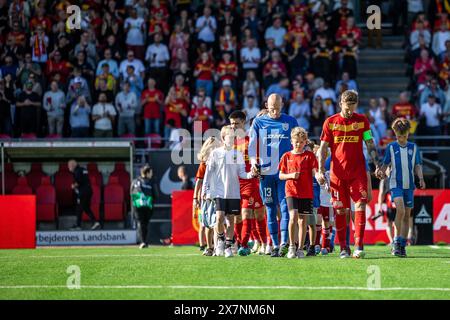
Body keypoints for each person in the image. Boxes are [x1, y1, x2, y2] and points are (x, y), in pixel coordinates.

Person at [317, 90, 383, 259]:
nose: (349, 111)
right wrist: (319, 170)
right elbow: (323, 148)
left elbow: (369, 142)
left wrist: (377, 165)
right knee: (340, 210)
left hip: (357, 172)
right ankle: (344, 248)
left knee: (360, 205)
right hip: (337, 174)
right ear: (340, 104)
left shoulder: (362, 121)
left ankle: (359, 245)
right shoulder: (330, 122)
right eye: (347, 107)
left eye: (352, 107)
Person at [248, 93, 298, 257]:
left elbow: (298, 144)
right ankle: (274, 245)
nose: (275, 112)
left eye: (277, 109)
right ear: (266, 105)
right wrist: (254, 162)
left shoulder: (290, 121)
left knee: (284, 207)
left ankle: (284, 243)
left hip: (285, 173)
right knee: (269, 207)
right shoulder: (258, 122)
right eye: (271, 109)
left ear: (282, 104)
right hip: (266, 172)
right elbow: (252, 145)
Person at [201, 125, 257, 258]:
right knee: (219, 218)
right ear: (223, 138)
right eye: (229, 137)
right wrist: (205, 189)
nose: (232, 139)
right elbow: (208, 173)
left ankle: (227, 247)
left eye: (233, 137)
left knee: (231, 220)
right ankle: (220, 240)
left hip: (233, 192)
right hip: (218, 192)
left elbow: (242, 174)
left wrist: (252, 174)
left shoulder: (237, 154)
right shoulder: (215, 153)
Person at [377, 118, 425, 257]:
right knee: (401, 210)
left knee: (406, 216)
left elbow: (417, 165)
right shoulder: (391, 147)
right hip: (395, 184)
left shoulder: (413, 147)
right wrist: (381, 170)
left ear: (408, 134)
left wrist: (420, 178)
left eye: (404, 136)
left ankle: (402, 245)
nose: (401, 139)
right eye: (399, 136)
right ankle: (396, 242)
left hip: (409, 185)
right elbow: (385, 164)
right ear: (395, 134)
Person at [229, 111, 267, 256]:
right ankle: (243, 242)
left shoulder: (251, 139)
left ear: (243, 123)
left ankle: (247, 244)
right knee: (237, 216)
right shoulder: (230, 142)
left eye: (236, 123)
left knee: (249, 213)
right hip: (234, 183)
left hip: (250, 182)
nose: (233, 126)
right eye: (231, 123)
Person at [279, 127, 318, 259]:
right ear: (291, 141)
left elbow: (315, 172)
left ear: (305, 142)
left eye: (301, 142)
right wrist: (290, 175)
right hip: (291, 191)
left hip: (306, 192)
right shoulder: (286, 156)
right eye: (296, 141)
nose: (298, 144)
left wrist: (319, 176)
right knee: (293, 216)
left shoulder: (310, 156)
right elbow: (280, 175)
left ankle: (300, 249)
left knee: (302, 221)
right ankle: (291, 246)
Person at [193, 137, 222, 256]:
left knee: (217, 222)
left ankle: (216, 247)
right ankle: (209, 247)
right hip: (207, 196)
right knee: (207, 224)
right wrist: (195, 197)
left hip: (219, 195)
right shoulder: (204, 164)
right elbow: (199, 182)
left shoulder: (222, 160)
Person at [68, 160, 101, 231]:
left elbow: (79, 181)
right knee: (86, 207)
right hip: (88, 191)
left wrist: (73, 186)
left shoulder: (77, 171)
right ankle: (95, 222)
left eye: (69, 166)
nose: (68, 168)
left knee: (79, 208)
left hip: (83, 192)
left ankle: (78, 225)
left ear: (73, 165)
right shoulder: (83, 169)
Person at [131, 164, 157, 249]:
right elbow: (156, 195)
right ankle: (143, 241)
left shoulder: (135, 181)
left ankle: (144, 241)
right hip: (145, 207)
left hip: (138, 206)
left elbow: (131, 193)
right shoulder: (149, 182)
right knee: (143, 223)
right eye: (151, 172)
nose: (151, 174)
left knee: (142, 223)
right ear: (147, 172)